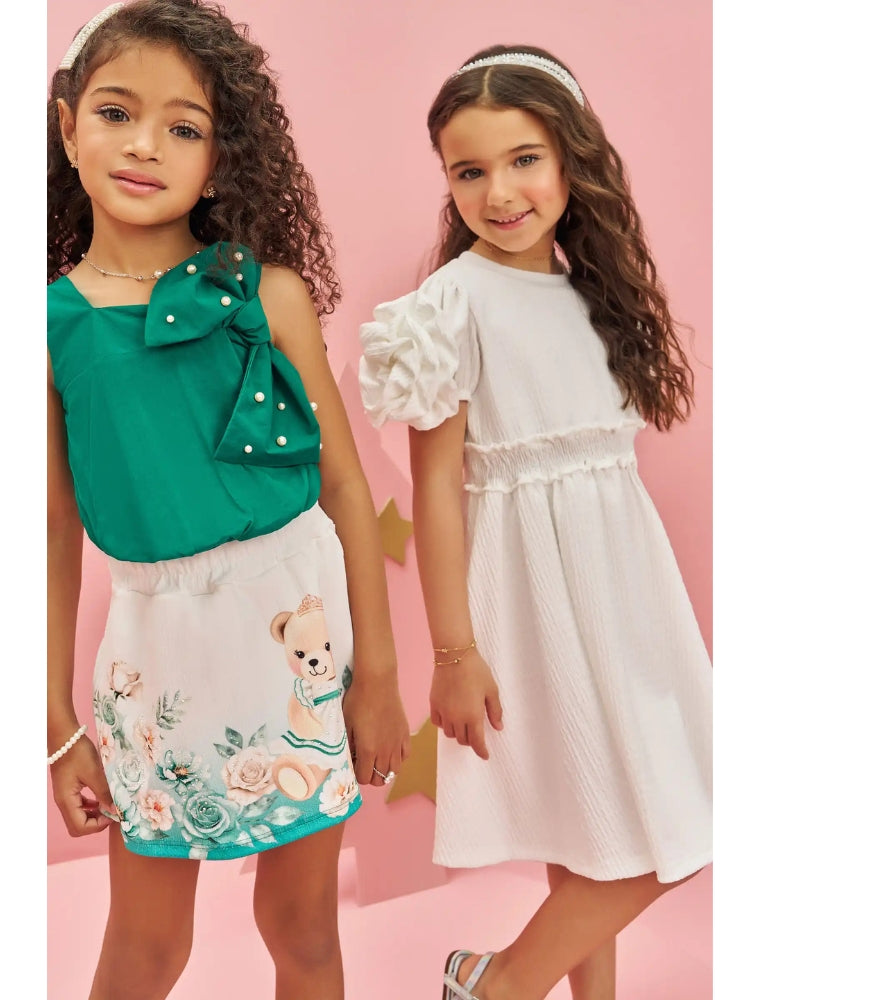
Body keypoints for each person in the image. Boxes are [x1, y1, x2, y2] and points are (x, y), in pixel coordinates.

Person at [47, 3, 410, 998]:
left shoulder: (268, 294)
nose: (145, 145)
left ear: (220, 160)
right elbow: (50, 533)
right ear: (68, 126)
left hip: (297, 637)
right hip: (155, 657)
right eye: (116, 113)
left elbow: (343, 485)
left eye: (184, 127)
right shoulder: (47, 326)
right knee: (147, 946)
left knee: (304, 931)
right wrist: (54, 722)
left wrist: (377, 675)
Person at [359, 46, 712, 1000]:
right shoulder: (448, 308)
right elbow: (438, 489)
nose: (500, 192)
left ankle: (514, 983)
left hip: (624, 590)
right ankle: (504, 984)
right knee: (629, 823)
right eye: (469, 171)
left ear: (571, 158)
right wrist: (453, 653)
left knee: (607, 828)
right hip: (531, 597)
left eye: (524, 160)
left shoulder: (592, 294)